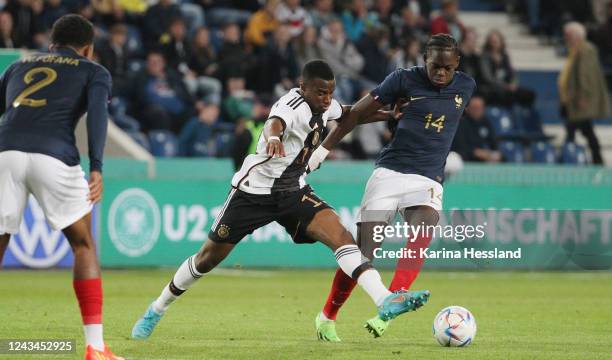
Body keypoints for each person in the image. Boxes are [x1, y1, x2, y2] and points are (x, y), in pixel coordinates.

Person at [130, 60, 430, 340]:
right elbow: (276, 122)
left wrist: (388, 114)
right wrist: (273, 138)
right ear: (303, 86)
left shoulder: (324, 106)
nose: (327, 99)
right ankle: (157, 308)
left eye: (330, 93)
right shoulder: (291, 103)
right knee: (207, 258)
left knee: (343, 238)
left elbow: (350, 113)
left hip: (293, 191)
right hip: (253, 193)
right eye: (321, 93)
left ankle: (384, 300)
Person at [308, 34, 476, 341]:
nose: (440, 73)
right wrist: (321, 150)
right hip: (389, 174)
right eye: (434, 66)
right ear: (424, 59)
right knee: (364, 252)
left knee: (423, 230)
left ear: (457, 65)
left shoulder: (466, 86)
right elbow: (356, 113)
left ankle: (392, 304)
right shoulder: (402, 80)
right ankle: (327, 317)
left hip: (427, 180)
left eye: (447, 68)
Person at [0, 15, 122, 360]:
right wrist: (96, 167)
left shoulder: (18, 66)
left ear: (52, 44)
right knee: (82, 243)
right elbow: (98, 116)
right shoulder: (93, 70)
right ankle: (95, 347)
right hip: (54, 155)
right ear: (88, 49)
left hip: (5, 152)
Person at [558, 22, 609, 165]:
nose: (566, 38)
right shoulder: (575, 50)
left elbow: (585, 75)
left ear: (577, 35)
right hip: (572, 99)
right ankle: (590, 157)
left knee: (582, 130)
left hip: (579, 100)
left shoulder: (586, 50)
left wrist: (583, 96)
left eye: (568, 35)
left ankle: (594, 158)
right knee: (581, 130)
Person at [451, 96, 502, 162]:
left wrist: (495, 153)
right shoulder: (461, 123)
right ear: (468, 108)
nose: (477, 110)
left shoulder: (486, 122)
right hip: (467, 160)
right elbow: (460, 147)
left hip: (485, 160)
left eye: (480, 108)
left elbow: (494, 143)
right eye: (475, 108)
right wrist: (475, 152)